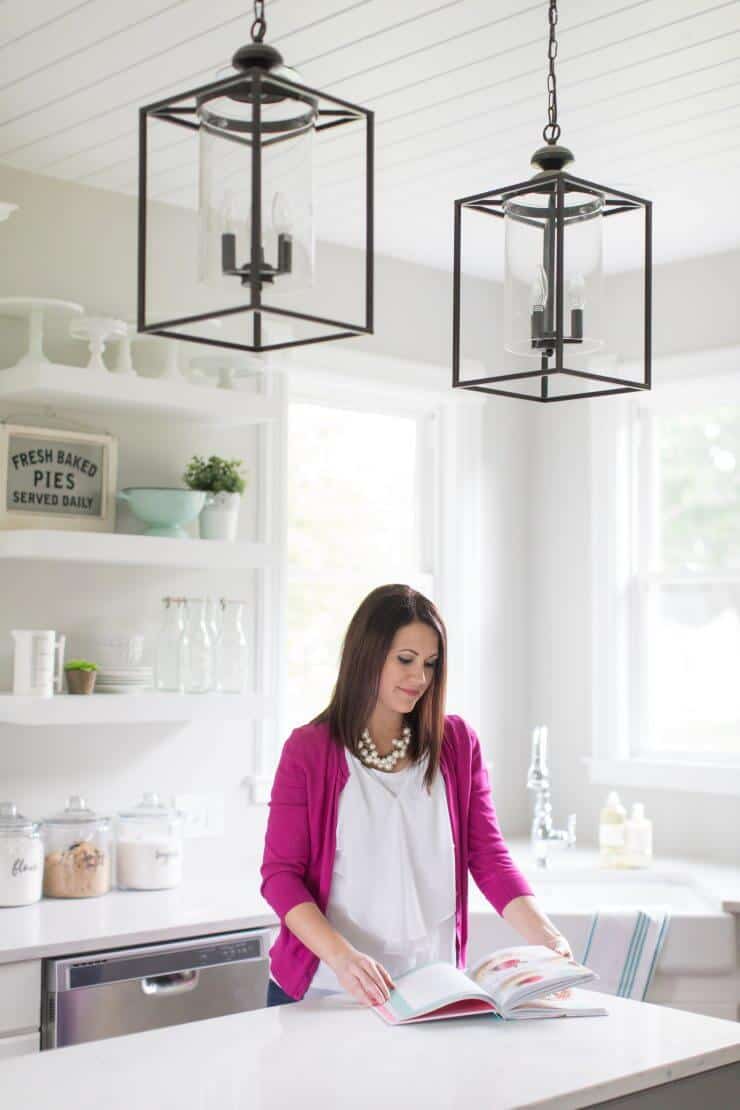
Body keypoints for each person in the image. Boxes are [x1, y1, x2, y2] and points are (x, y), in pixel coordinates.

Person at [260, 584, 573, 1008]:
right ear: (366, 654)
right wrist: (343, 958)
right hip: (329, 988)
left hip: (432, 989)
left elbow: (488, 856)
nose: (420, 678)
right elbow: (281, 877)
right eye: (405, 660)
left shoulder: (457, 744)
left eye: (430, 664)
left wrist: (547, 938)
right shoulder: (309, 751)